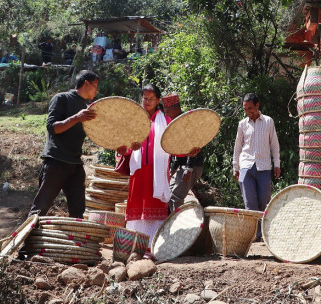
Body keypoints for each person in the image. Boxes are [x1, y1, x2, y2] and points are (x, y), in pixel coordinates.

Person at [116, 85, 200, 256]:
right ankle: (134, 246)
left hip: (157, 175)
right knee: (138, 207)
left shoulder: (166, 122)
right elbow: (122, 147)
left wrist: (188, 151)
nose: (147, 102)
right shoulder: (134, 121)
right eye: (144, 98)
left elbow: (174, 147)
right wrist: (125, 148)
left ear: (158, 101)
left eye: (151, 99)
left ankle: (153, 247)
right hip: (139, 174)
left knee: (154, 207)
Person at [27, 70, 99, 219]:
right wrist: (76, 118)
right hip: (56, 161)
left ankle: (76, 241)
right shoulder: (62, 98)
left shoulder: (88, 109)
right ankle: (25, 241)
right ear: (86, 83)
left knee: (78, 211)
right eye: (95, 85)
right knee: (40, 208)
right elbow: (53, 127)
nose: (97, 90)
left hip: (75, 163)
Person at [233, 93, 281, 242]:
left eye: (251, 108)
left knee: (263, 201)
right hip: (246, 166)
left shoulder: (268, 121)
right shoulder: (242, 124)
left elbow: (274, 144)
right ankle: (254, 233)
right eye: (246, 109)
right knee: (249, 202)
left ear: (257, 105)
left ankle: (264, 232)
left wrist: (277, 164)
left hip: (264, 167)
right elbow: (237, 147)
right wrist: (235, 166)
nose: (248, 111)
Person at [162, 94, 204, 213]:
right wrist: (173, 167)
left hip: (192, 165)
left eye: (168, 110)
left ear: (176, 108)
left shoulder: (187, 122)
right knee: (168, 193)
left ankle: (177, 225)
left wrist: (189, 169)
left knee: (176, 196)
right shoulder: (174, 122)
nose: (166, 113)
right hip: (183, 165)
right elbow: (177, 150)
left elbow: (194, 146)